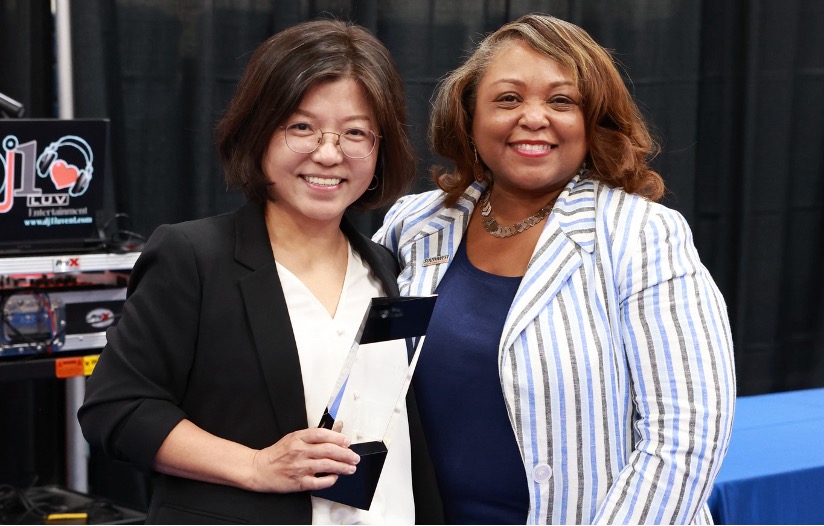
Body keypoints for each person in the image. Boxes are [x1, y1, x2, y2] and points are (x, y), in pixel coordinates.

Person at [373, 13, 735, 525]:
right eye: (508, 98)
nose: (534, 117)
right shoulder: (415, 223)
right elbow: (362, 381)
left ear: (593, 122)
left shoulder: (643, 234)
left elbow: (686, 434)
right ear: (469, 118)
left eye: (562, 100)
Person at [79, 19, 442, 524]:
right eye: (302, 127)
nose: (329, 152)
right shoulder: (193, 257)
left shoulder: (384, 267)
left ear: (380, 150)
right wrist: (255, 465)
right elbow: (115, 409)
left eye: (356, 132)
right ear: (258, 131)